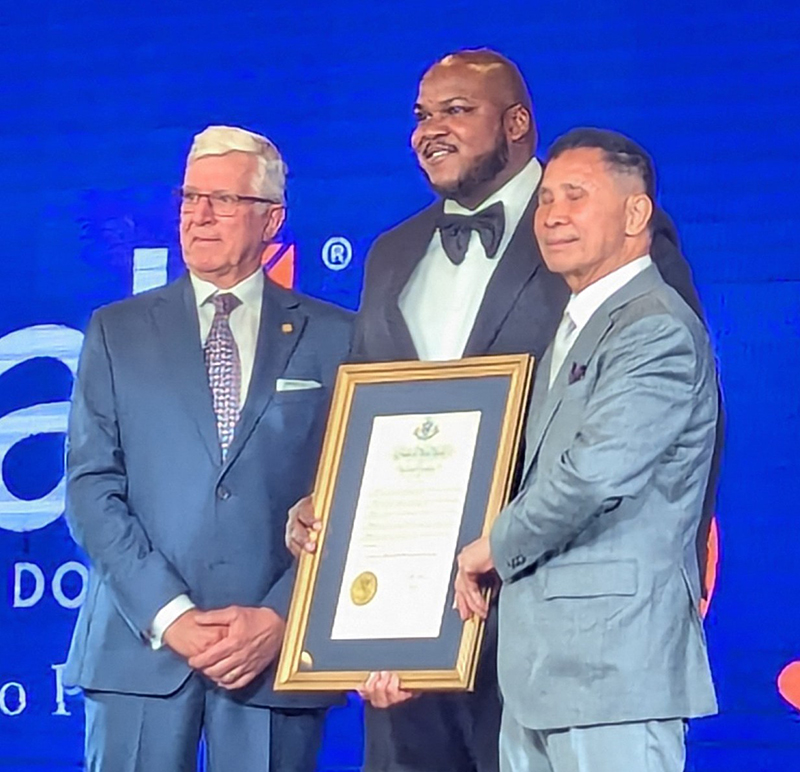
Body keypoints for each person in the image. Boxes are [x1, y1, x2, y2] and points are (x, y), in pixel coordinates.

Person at [286, 50, 710, 772]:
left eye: (456, 111)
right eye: (421, 115)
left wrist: (682, 556)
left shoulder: (607, 248)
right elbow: (365, 419)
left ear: (517, 124)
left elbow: (657, 427)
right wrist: (331, 523)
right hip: (410, 618)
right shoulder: (391, 253)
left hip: (561, 629)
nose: (430, 130)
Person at [64, 125, 352, 772]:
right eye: (191, 197)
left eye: (222, 200)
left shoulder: (335, 339)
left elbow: (350, 497)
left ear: (271, 218)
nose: (198, 215)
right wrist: (172, 615)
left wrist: (281, 618)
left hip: (272, 662)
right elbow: (91, 489)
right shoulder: (118, 332)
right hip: (140, 651)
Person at [455, 127, 718, 772]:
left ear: (637, 213)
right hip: (541, 676)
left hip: (615, 671)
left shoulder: (653, 326)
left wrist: (493, 545)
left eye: (576, 195)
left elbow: (592, 477)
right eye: (544, 199)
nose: (552, 215)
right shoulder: (572, 329)